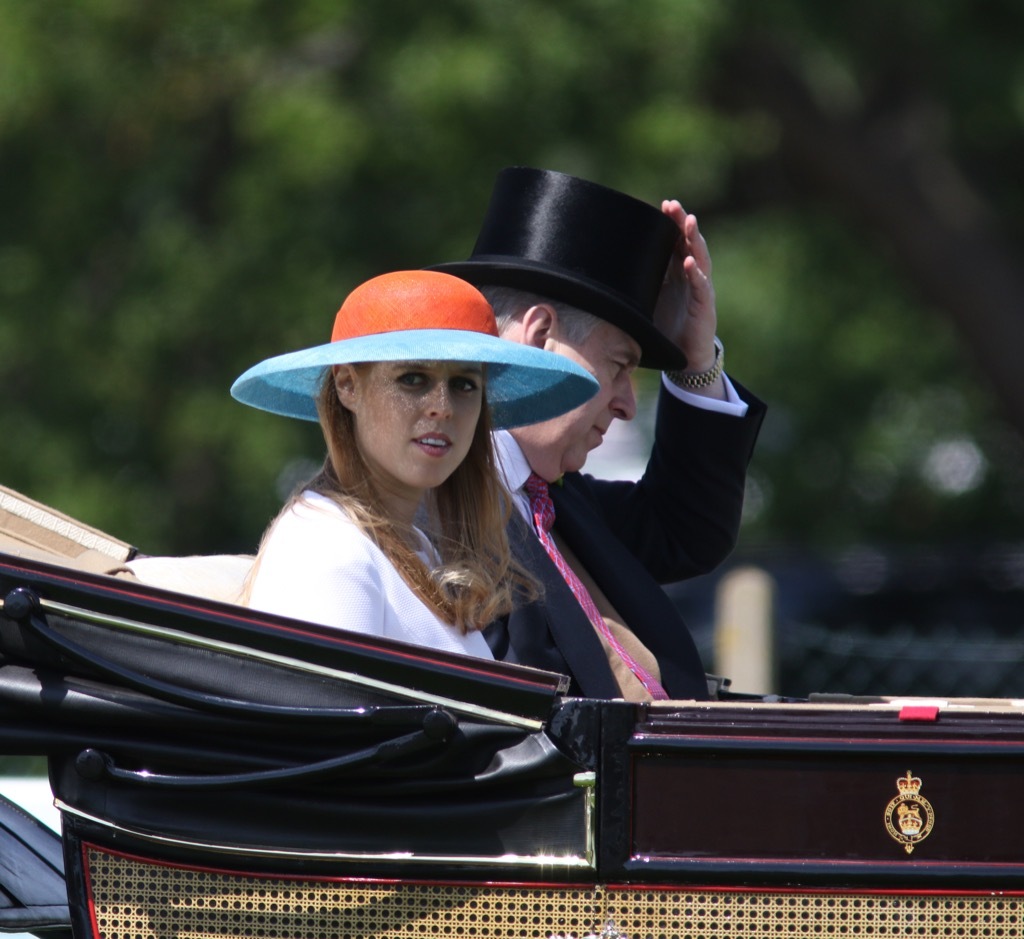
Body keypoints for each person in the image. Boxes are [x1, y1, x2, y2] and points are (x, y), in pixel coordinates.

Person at [432, 167, 767, 699]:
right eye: (618, 366)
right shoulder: (425, 513)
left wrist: (695, 361)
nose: (628, 405)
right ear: (540, 336)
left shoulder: (556, 503)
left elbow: (686, 531)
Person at [229, 269, 598, 658]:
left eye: (464, 384)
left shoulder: (409, 546)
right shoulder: (329, 549)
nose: (442, 407)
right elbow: (324, 715)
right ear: (347, 385)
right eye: (412, 378)